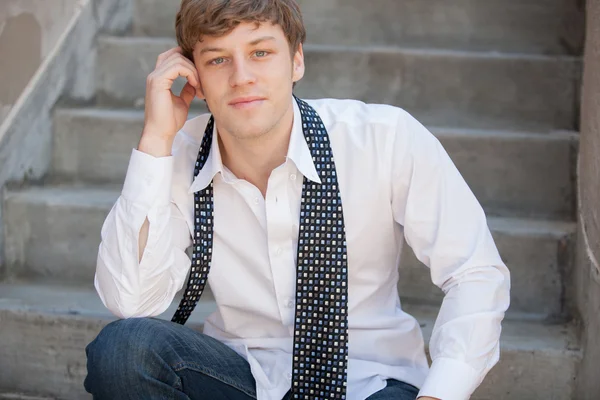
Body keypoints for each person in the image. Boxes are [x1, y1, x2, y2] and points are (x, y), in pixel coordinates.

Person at [83, 0, 510, 399]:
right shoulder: (177, 156)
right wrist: (156, 137)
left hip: (369, 380)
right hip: (242, 377)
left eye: (261, 52)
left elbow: (474, 271)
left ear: (297, 60)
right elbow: (132, 302)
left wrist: (441, 392)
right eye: (217, 59)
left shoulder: (384, 137)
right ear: (193, 75)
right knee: (124, 350)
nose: (241, 76)